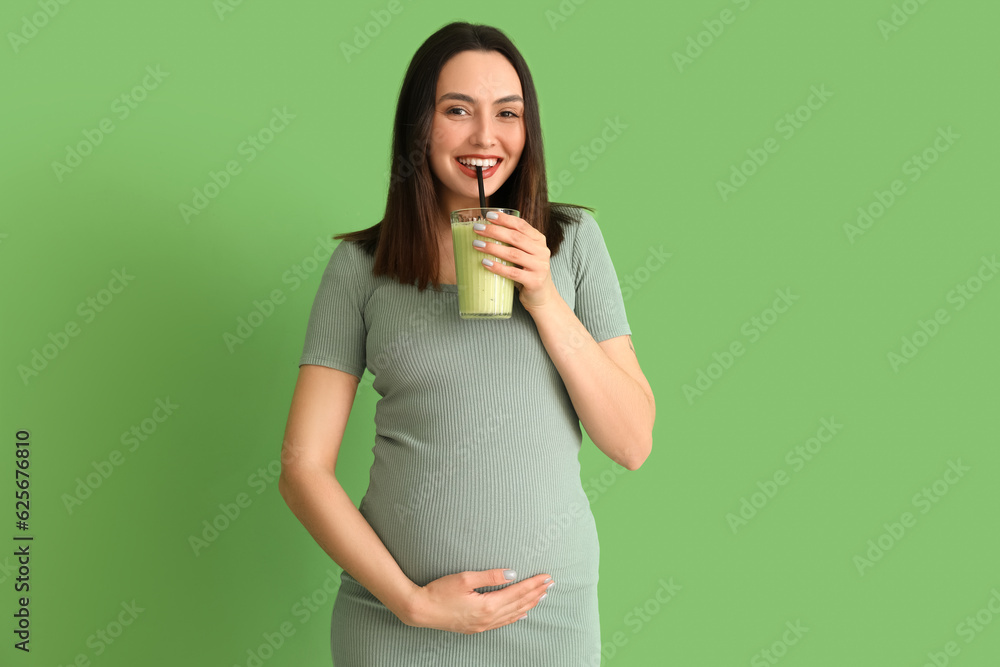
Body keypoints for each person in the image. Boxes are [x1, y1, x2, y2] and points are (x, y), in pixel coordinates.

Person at [278, 21, 655, 666]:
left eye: (507, 114)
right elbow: (302, 468)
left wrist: (541, 296)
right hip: (395, 623)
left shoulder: (573, 243)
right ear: (418, 124)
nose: (486, 137)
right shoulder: (362, 267)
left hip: (547, 623)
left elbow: (631, 443)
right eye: (458, 111)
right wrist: (412, 602)